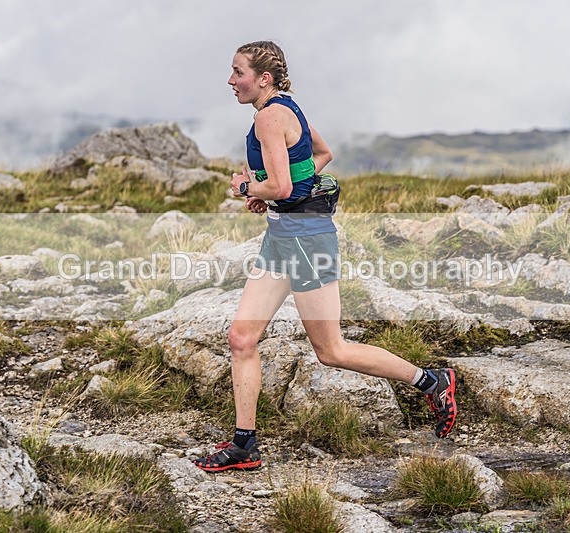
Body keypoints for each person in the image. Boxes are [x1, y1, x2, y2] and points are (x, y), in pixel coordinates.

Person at [192, 41, 456, 473]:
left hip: (307, 241)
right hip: (282, 237)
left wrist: (247, 188)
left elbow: (279, 185)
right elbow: (321, 156)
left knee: (331, 350)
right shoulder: (288, 109)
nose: (230, 80)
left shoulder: (268, 117)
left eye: (238, 72)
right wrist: (276, 197)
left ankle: (431, 381)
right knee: (241, 338)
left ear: (263, 78)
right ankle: (244, 446)